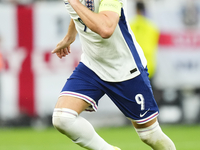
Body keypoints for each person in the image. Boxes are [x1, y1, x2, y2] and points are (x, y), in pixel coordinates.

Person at [51, 0, 176, 150]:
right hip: (93, 65)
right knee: (62, 118)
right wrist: (70, 36)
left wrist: (74, 2)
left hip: (125, 69)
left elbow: (106, 29)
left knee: (149, 135)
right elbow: (81, 9)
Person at [129, 1, 160, 79]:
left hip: (134, 67)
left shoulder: (130, 26)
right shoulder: (153, 27)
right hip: (150, 66)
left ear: (136, 10)